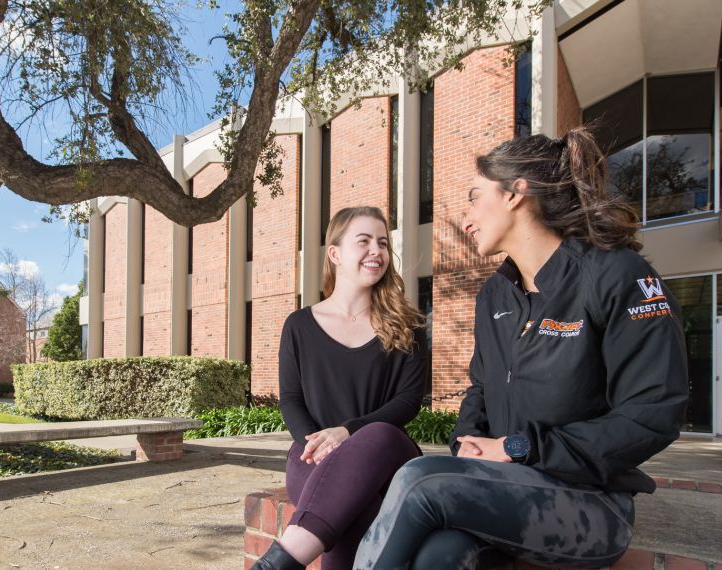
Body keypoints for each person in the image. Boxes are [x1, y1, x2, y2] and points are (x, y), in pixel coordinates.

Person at [353, 128, 689, 569]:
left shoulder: (617, 276)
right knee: (441, 554)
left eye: (475, 197)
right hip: (504, 486)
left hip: (591, 504)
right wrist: (466, 443)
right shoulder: (495, 295)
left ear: (516, 193)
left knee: (418, 479)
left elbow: (652, 414)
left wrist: (519, 448)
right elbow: (480, 390)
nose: (467, 218)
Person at [253, 206, 429, 570]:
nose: (376, 251)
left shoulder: (408, 326)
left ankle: (277, 563)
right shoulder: (299, 325)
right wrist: (315, 443)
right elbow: (290, 399)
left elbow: (408, 401)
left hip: (388, 454)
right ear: (334, 254)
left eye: (382, 243)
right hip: (312, 452)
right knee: (340, 513)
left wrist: (347, 433)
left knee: (379, 434)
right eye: (363, 241)